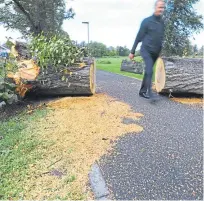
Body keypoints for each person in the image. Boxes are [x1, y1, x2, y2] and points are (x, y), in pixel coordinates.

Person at [129, 0, 165, 100]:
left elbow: (160, 38)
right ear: (155, 7)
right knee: (150, 70)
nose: (161, 9)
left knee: (148, 72)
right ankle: (151, 94)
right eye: (159, 7)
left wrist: (160, 52)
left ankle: (142, 91)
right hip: (146, 50)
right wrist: (132, 51)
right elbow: (138, 37)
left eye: (163, 7)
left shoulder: (162, 23)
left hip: (155, 53)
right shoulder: (146, 21)